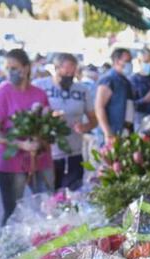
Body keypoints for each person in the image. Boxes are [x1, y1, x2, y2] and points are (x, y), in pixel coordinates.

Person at [0, 49, 53, 224]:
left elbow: (47, 124)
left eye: (14, 67)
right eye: (8, 68)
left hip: (40, 159)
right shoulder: (0, 94)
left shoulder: (39, 94)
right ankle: (9, 249)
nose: (11, 72)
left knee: (48, 207)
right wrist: (21, 145)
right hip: (11, 164)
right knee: (13, 213)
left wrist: (41, 140)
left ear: (26, 68)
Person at [35, 53, 95, 191]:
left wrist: (85, 126)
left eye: (72, 73)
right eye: (66, 72)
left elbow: (93, 119)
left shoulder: (82, 90)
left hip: (74, 151)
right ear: (56, 68)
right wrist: (48, 117)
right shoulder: (40, 86)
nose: (69, 76)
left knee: (74, 194)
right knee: (49, 196)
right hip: (48, 153)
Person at [94, 48, 133, 138]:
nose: (130, 64)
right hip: (113, 133)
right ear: (116, 61)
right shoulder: (108, 80)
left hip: (125, 131)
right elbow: (99, 107)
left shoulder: (125, 81)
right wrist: (107, 132)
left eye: (130, 61)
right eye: (127, 61)